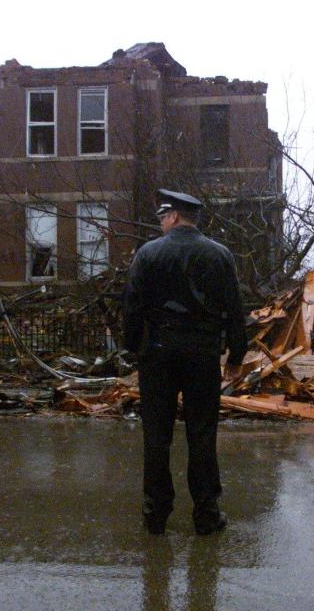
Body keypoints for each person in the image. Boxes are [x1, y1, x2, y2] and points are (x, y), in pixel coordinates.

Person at [122, 189, 247, 535]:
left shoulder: (147, 254)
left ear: (174, 216)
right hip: (202, 355)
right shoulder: (220, 255)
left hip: (158, 355)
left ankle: (155, 514)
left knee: (157, 435)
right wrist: (236, 355)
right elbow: (235, 309)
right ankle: (207, 514)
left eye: (163, 216)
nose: (161, 223)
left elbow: (132, 305)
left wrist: (134, 348)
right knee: (202, 434)